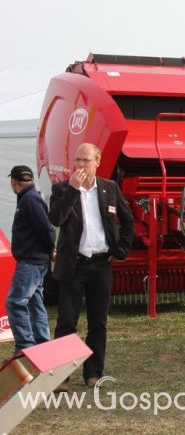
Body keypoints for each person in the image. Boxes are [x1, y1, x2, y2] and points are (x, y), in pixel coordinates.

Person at [49, 143, 134, 390]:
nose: (81, 165)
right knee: (67, 321)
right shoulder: (62, 189)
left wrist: (120, 251)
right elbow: (56, 219)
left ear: (97, 161)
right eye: (77, 160)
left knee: (98, 321)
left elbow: (128, 221)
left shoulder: (109, 188)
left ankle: (93, 373)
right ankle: (62, 377)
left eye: (86, 160)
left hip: (100, 264)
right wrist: (73, 191)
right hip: (73, 265)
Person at [5, 165, 55, 354]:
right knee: (35, 302)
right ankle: (42, 343)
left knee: (15, 302)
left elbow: (46, 228)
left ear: (14, 183)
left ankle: (25, 347)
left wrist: (51, 249)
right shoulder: (31, 198)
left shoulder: (29, 200)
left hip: (31, 261)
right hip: (36, 260)